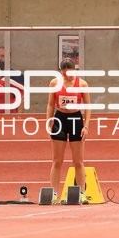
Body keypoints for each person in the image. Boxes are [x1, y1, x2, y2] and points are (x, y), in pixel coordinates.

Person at [47, 58, 91, 196]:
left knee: (78, 161)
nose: (67, 76)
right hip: (60, 118)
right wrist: (48, 121)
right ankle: (54, 193)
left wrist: (86, 126)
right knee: (57, 161)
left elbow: (88, 107)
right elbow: (50, 104)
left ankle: (82, 192)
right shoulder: (54, 83)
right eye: (64, 73)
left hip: (75, 119)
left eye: (69, 73)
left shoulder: (82, 84)